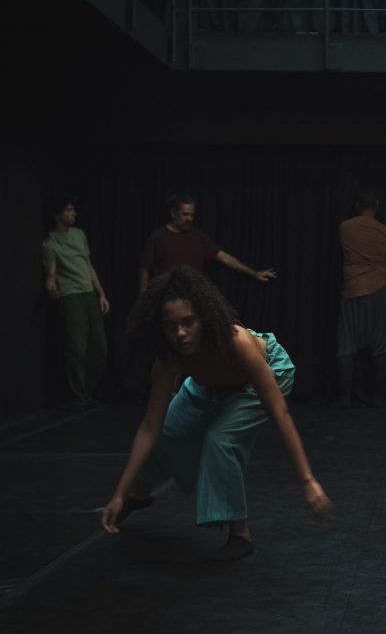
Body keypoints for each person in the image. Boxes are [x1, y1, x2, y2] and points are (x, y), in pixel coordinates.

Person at [100, 266, 332, 560]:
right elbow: (150, 427)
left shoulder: (236, 342)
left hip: (265, 374)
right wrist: (119, 493)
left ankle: (240, 533)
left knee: (219, 439)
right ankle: (138, 494)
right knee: (169, 430)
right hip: (210, 385)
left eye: (188, 322)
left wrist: (308, 481)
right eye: (171, 326)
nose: (181, 333)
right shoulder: (168, 361)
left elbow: (280, 414)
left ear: (205, 319)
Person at [42, 198, 110, 410]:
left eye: (73, 210)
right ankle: (79, 396)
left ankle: (87, 391)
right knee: (76, 348)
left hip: (89, 293)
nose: (74, 214)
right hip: (71, 296)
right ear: (58, 214)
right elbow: (51, 272)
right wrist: (51, 283)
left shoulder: (79, 234)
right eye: (69, 210)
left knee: (100, 347)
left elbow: (88, 266)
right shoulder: (50, 243)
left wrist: (101, 294)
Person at [138, 193, 277, 292]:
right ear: (174, 213)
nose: (189, 219)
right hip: (167, 296)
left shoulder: (198, 237)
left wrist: (253, 273)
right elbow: (145, 267)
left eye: (192, 215)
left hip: (193, 295)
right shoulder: (158, 236)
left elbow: (225, 258)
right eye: (185, 214)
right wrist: (144, 294)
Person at [337, 185, 386, 408]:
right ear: (376, 206)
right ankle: (378, 397)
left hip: (352, 287)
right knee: (381, 343)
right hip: (379, 286)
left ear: (357, 206)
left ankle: (344, 398)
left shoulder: (345, 227)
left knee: (346, 343)